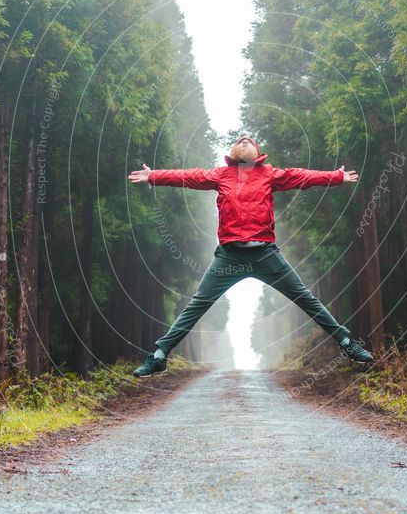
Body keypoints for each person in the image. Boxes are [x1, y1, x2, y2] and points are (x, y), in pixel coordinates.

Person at [128, 136, 373, 376]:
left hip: (265, 254)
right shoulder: (220, 175)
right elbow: (188, 177)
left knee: (305, 298)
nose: (244, 141)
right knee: (197, 304)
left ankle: (347, 343)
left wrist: (336, 177)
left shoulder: (269, 174)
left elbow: (302, 177)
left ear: (258, 153)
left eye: (250, 141)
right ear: (233, 153)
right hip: (229, 256)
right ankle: (159, 356)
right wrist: (153, 176)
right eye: (240, 141)